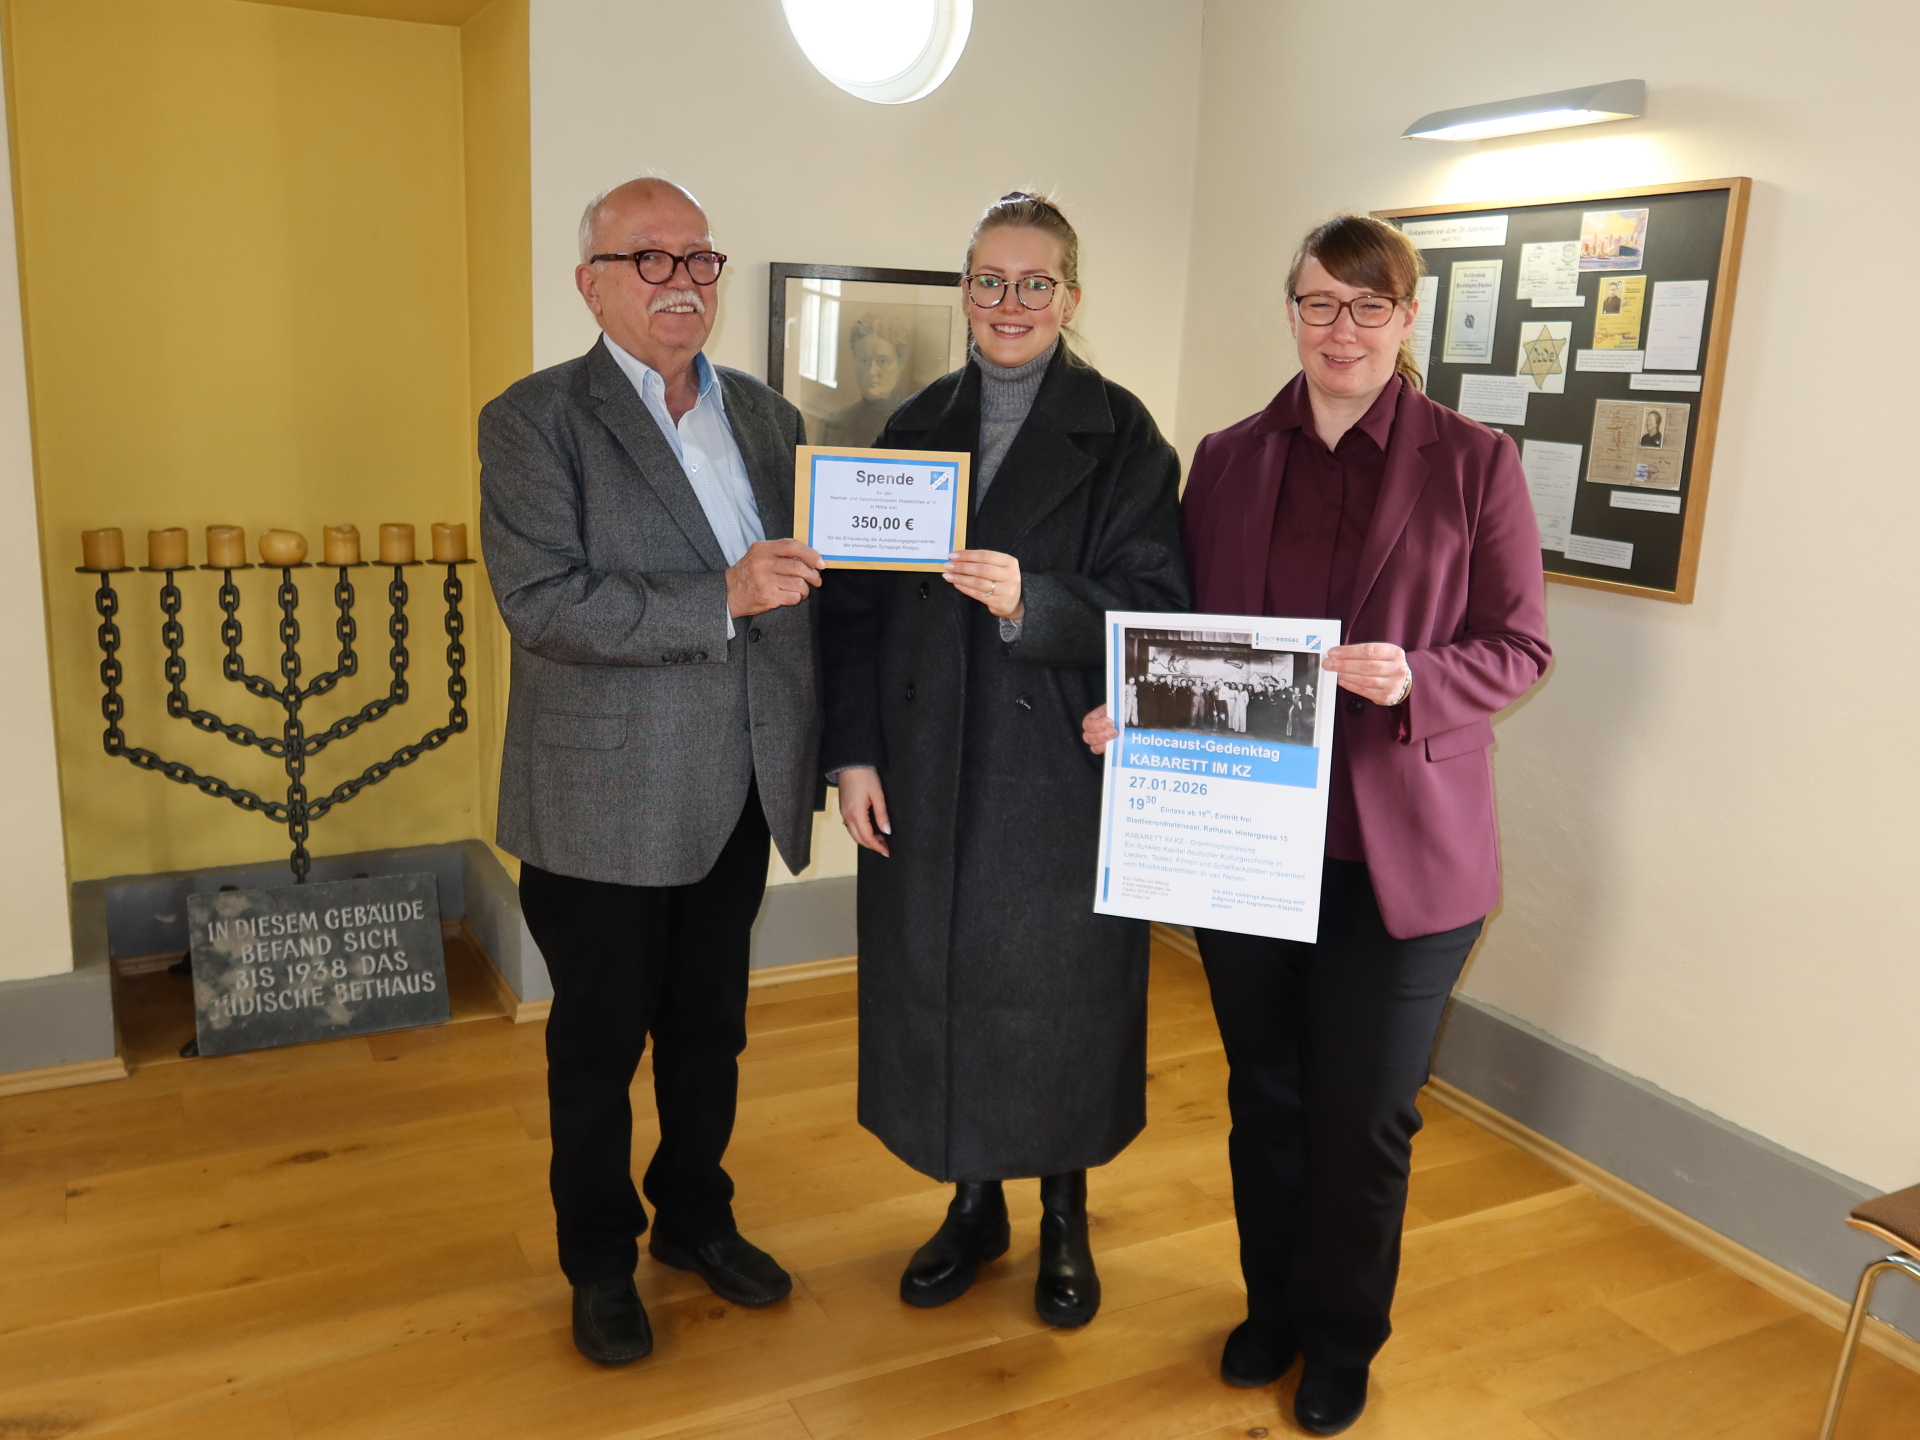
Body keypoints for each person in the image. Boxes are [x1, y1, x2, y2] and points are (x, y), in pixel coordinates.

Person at [1085, 213, 1550, 1435]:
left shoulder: (1473, 461)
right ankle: (1273, 1309)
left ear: (1408, 319)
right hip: (1250, 840)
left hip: (1405, 855)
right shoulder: (1230, 456)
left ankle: (1343, 1333)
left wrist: (1422, 679)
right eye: (1316, 304)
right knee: (1269, 1093)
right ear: (1288, 313)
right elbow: (1191, 634)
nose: (1339, 330)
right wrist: (1133, 714)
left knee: (1367, 1114)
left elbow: (1520, 645)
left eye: (1366, 306)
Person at [479, 177, 826, 1368]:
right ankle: (597, 1260)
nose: (683, 281)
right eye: (650, 260)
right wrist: (722, 594)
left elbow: (812, 593)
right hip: (602, 800)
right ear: (591, 282)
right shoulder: (532, 422)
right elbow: (543, 605)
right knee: (597, 1046)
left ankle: (694, 1219)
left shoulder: (775, 422)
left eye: (700, 259)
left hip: (738, 787)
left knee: (709, 1032)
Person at [824, 192, 1187, 1329]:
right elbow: (850, 613)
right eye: (989, 280)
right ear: (964, 291)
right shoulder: (909, 424)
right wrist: (852, 755)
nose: (1010, 303)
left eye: (1036, 283)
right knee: (946, 987)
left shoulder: (1125, 436)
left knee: (1059, 1001)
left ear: (1071, 298)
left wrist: (1039, 601)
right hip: (925, 766)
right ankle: (974, 1204)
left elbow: (1156, 606)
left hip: (1059, 773)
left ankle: (1065, 1219)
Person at [817, 312, 912, 446]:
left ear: (900, 365)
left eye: (882, 361)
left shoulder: (914, 427)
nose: (871, 371)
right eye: (863, 360)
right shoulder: (832, 427)